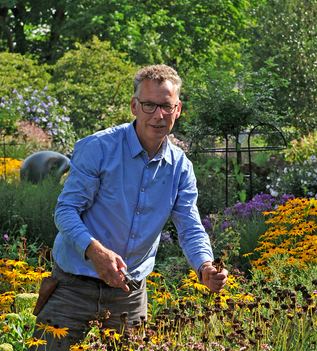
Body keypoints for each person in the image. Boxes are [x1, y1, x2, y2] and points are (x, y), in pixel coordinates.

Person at [30, 64, 228, 350]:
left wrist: (205, 266)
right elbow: (66, 210)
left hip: (129, 292)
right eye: (149, 105)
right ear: (134, 106)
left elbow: (190, 226)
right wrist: (94, 250)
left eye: (165, 106)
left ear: (178, 109)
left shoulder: (181, 168)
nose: (158, 115)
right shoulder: (98, 148)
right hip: (73, 285)